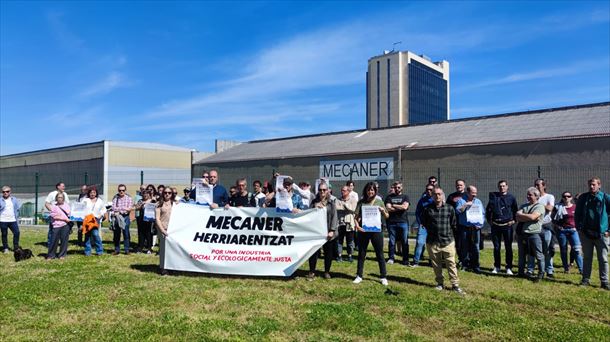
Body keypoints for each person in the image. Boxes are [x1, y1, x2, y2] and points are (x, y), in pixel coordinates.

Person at [421, 186, 464, 294]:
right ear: (432, 195)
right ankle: (440, 283)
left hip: (447, 241)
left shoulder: (449, 208)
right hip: (432, 242)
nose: (437, 196)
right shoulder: (427, 209)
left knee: (451, 264)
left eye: (439, 194)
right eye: (435, 194)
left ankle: (455, 285)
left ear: (442, 195)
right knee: (436, 264)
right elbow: (424, 223)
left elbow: (454, 224)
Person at [575, 177, 610, 289]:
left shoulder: (605, 198)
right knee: (587, 258)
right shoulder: (583, 198)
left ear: (599, 185)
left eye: (594, 184)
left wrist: (608, 231)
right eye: (590, 184)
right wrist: (579, 228)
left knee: (603, 259)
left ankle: (604, 282)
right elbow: (577, 214)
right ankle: (585, 280)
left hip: (601, 234)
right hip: (586, 234)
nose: (591, 186)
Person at [353, 182, 390, 286]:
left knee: (380, 254)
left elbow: (387, 216)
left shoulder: (379, 202)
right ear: (366, 190)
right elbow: (355, 217)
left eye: (372, 190)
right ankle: (359, 275)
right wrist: (358, 226)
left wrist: (383, 211)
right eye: (369, 190)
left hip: (376, 231)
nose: (370, 192)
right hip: (364, 231)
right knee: (361, 253)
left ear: (375, 191)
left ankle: (383, 276)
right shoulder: (361, 202)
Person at [486, 180, 518, 275]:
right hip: (495, 226)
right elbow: (488, 210)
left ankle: (509, 268)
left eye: (504, 186)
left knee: (508, 247)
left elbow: (515, 210)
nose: (502, 188)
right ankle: (497, 267)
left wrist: (513, 221)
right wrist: (489, 220)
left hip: (507, 226)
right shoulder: (493, 197)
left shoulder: (511, 197)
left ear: (507, 187)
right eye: (500, 186)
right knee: (496, 247)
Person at [307, 182, 338, 280]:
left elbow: (334, 217)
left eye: (324, 190)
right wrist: (315, 208)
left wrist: (332, 230)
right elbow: (309, 215)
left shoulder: (331, 202)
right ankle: (312, 271)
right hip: (315, 232)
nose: (322, 192)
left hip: (328, 231)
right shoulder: (313, 202)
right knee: (313, 253)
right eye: (320, 190)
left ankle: (326, 272)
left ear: (328, 190)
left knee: (328, 253)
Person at [516, 187, 546, 281]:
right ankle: (521, 273)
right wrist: (528, 217)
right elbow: (517, 216)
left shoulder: (540, 206)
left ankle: (541, 274)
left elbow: (533, 217)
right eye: (527, 194)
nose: (528, 196)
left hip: (534, 234)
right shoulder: (523, 205)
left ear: (536, 196)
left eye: (530, 195)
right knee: (522, 254)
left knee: (538, 254)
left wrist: (525, 216)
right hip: (522, 234)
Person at [456, 186, 485, 273]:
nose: (475, 195)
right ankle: (465, 265)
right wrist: (465, 205)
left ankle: (476, 266)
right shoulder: (461, 200)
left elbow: (482, 213)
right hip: (464, 227)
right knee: (464, 246)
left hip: (475, 228)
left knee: (475, 246)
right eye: (473, 194)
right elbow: (457, 211)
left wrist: (480, 224)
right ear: (467, 193)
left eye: (476, 193)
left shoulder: (478, 201)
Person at [552, 191, 583, 274]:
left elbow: (580, 219)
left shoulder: (575, 207)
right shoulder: (558, 207)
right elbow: (553, 218)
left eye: (568, 196)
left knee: (577, 249)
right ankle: (566, 268)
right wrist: (558, 226)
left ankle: (582, 269)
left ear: (571, 198)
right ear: (562, 198)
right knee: (563, 250)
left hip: (573, 230)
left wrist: (577, 228)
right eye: (564, 196)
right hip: (562, 231)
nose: (566, 198)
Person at [533, 178, 556, 278]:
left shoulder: (549, 197)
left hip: (546, 226)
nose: (537, 187)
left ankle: (549, 270)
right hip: (535, 226)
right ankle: (535, 269)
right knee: (535, 249)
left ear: (544, 186)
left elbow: (550, 208)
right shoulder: (532, 197)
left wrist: (537, 203)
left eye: (538, 185)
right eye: (535, 185)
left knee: (547, 249)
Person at [385, 181, 410, 265]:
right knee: (392, 241)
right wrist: (400, 207)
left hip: (403, 222)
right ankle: (391, 258)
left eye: (399, 187)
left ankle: (405, 259)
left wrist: (394, 205)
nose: (397, 189)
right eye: (395, 187)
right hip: (392, 222)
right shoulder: (389, 197)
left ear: (401, 188)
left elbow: (405, 207)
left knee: (404, 241)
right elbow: (388, 208)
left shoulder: (405, 197)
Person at [155, 187, 177, 275]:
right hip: (163, 228)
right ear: (162, 193)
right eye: (165, 192)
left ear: (172, 194)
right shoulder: (158, 204)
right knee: (163, 249)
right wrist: (162, 230)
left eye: (169, 193)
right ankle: (163, 268)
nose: (167, 194)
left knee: (172, 249)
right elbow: (157, 218)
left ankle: (171, 267)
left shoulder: (175, 204)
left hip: (173, 229)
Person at [412, 185, 435, 267]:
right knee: (420, 243)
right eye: (427, 189)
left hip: (433, 227)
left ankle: (432, 262)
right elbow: (417, 213)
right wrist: (420, 223)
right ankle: (415, 262)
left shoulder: (436, 200)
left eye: (431, 189)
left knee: (432, 245)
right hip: (423, 226)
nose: (429, 191)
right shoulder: (422, 200)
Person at [335, 185, 357, 262]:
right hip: (340, 223)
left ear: (348, 191)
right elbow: (337, 208)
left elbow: (353, 209)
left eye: (344, 190)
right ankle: (339, 256)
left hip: (349, 223)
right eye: (342, 190)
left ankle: (350, 255)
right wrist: (347, 207)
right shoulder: (337, 199)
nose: (342, 192)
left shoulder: (353, 199)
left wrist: (344, 205)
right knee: (339, 240)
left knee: (350, 241)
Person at [82, 187, 106, 256]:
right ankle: (87, 251)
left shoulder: (100, 201)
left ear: (96, 193)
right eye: (91, 192)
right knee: (87, 235)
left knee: (95, 234)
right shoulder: (85, 200)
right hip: (87, 219)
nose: (92, 194)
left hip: (95, 219)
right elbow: (81, 208)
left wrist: (100, 215)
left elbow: (103, 209)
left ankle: (99, 251)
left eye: (94, 192)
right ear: (89, 193)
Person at [44, 182, 70, 246]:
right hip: (55, 216)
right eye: (63, 186)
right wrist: (53, 211)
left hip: (64, 217)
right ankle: (50, 244)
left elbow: (67, 204)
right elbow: (47, 203)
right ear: (58, 187)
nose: (64, 187)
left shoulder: (65, 194)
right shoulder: (52, 194)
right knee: (52, 230)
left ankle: (62, 244)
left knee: (63, 231)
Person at [47, 193, 71, 260]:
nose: (60, 199)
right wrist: (63, 218)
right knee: (53, 241)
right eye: (58, 197)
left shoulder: (67, 206)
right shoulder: (53, 206)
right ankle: (51, 255)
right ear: (56, 198)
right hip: (56, 225)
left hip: (65, 225)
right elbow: (54, 216)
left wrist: (61, 217)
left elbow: (69, 214)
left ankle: (62, 255)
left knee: (64, 241)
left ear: (63, 198)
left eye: (61, 197)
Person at [111, 184, 133, 255]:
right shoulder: (115, 198)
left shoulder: (129, 198)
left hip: (125, 217)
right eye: (120, 190)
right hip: (117, 217)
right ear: (118, 190)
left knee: (126, 233)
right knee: (117, 234)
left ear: (125, 190)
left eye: (123, 190)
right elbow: (113, 208)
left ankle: (127, 250)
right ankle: (117, 249)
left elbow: (129, 208)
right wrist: (123, 208)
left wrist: (120, 209)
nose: (121, 192)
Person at [0, 186, 20, 253]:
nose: (5, 193)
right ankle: (5, 248)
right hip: (3, 220)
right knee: (4, 234)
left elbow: (17, 208)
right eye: (3, 192)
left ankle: (16, 247)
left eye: (7, 191)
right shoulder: (0, 200)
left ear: (10, 192)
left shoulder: (14, 199)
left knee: (17, 233)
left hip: (13, 220)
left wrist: (17, 216)